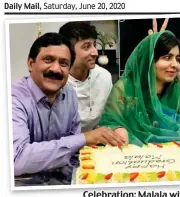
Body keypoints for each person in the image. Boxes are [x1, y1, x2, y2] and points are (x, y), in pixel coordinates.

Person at [12, 33, 124, 185]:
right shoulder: (13, 98)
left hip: (64, 181)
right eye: (48, 60)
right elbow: (17, 160)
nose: (56, 69)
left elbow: (74, 152)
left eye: (64, 63)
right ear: (31, 64)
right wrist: (85, 138)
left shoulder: (69, 94)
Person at [99, 31, 180, 147]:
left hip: (170, 159)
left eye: (177, 59)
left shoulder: (178, 98)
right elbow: (110, 122)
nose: (175, 65)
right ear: (149, 60)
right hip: (128, 157)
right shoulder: (124, 89)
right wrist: (118, 129)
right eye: (167, 57)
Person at [59, 22, 113, 132]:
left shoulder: (104, 77)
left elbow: (110, 117)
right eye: (87, 46)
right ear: (68, 51)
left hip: (96, 145)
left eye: (94, 45)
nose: (95, 52)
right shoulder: (58, 81)